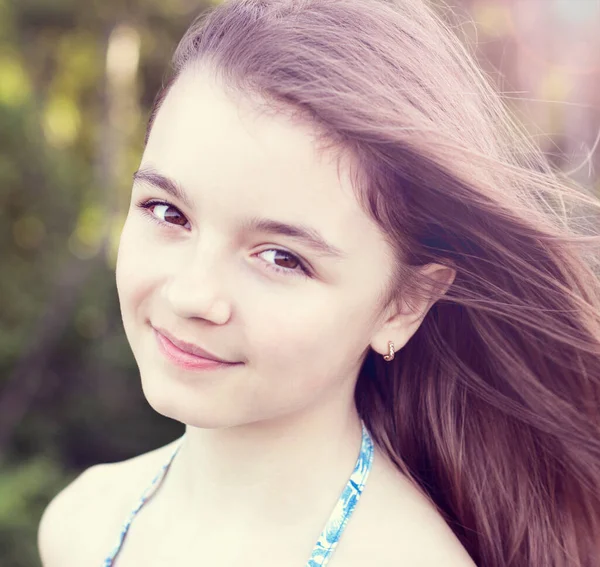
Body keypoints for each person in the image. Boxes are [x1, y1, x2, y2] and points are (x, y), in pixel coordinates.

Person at [37, 0, 600, 565]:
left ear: (403, 305)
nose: (191, 295)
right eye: (167, 213)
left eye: (282, 258)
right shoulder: (81, 521)